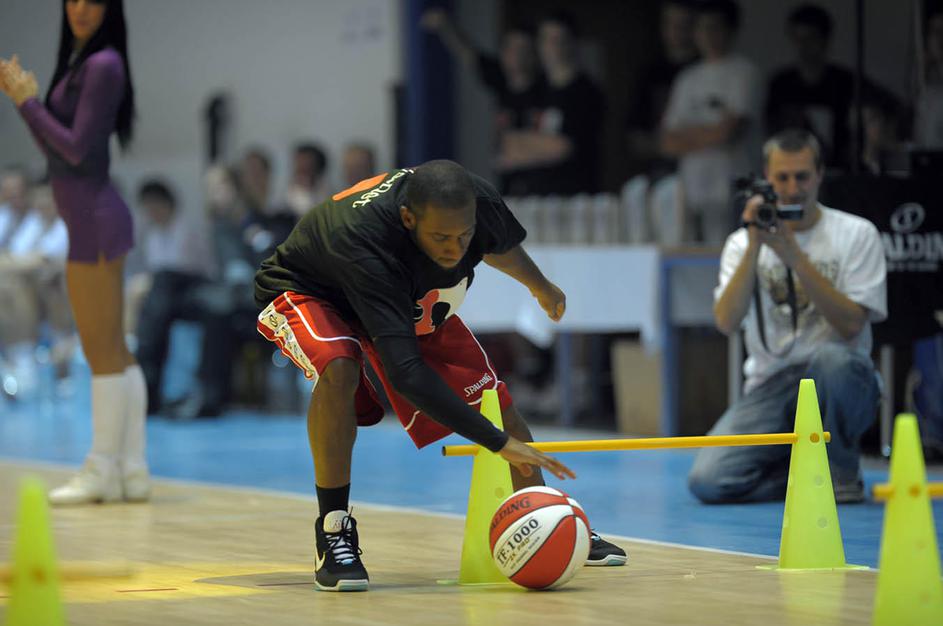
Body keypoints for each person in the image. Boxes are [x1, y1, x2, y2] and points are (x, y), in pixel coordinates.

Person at [254, 160, 626, 591]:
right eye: (441, 238)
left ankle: (549, 516)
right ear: (408, 219)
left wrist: (538, 284)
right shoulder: (365, 241)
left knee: (490, 396)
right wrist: (496, 442)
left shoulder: (476, 202)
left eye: (463, 236)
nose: (455, 249)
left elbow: (495, 242)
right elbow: (406, 373)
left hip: (400, 290)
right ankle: (334, 529)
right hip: (310, 288)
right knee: (340, 365)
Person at [0, 0, 149, 504]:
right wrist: (27, 104)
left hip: (94, 223)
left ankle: (101, 469)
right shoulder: (84, 62)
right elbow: (58, 150)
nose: (82, 8)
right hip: (92, 220)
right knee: (115, 349)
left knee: (102, 350)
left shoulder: (103, 64)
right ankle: (131, 469)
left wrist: (27, 103)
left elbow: (77, 149)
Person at [687, 129, 887, 505]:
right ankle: (807, 475)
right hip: (771, 383)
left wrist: (794, 255)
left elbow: (851, 325)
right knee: (708, 482)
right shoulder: (741, 243)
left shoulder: (857, 234)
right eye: (782, 177)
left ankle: (839, 471)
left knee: (834, 360)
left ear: (820, 175)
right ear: (767, 178)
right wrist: (754, 245)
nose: (793, 189)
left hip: (839, 376)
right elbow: (726, 322)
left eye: (802, 176)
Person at [659, 0, 761, 244]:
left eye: (714, 27)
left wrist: (689, 134)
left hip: (732, 190)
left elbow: (730, 132)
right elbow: (667, 142)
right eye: (701, 28)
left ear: (730, 30)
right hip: (692, 190)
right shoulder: (687, 78)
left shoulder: (744, 73)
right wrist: (712, 131)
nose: (707, 35)